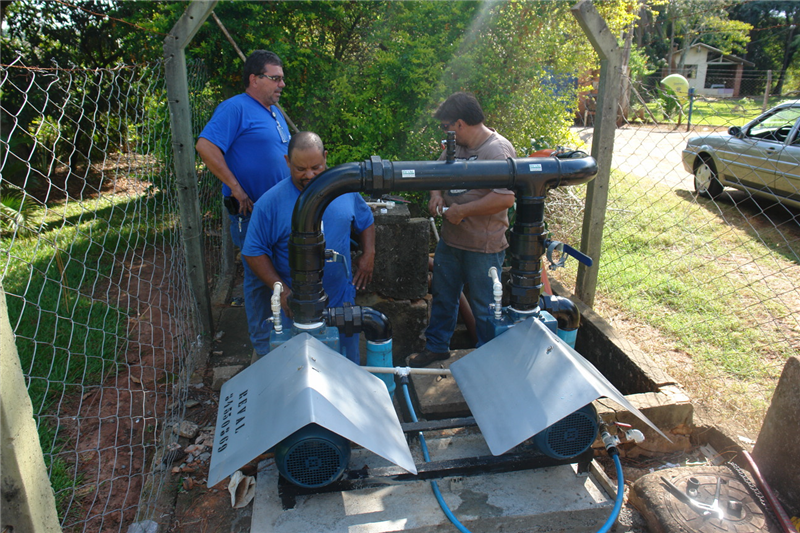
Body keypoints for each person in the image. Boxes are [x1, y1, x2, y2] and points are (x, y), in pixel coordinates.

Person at [241, 132, 375, 362]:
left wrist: (369, 253)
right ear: (287, 162)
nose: (309, 175)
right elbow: (253, 252)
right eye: (300, 169)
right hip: (295, 305)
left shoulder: (344, 190)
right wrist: (282, 290)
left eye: (316, 167)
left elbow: (365, 220)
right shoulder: (270, 204)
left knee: (345, 361)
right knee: (297, 367)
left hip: (339, 298)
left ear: (325, 157)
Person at [408, 92, 516, 368]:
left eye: (446, 126)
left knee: (486, 308)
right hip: (451, 241)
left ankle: (490, 361)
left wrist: (464, 210)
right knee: (443, 297)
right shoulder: (456, 147)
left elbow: (505, 198)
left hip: (483, 247)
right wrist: (436, 195)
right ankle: (437, 347)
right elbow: (437, 172)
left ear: (459, 123)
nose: (445, 132)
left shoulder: (497, 151)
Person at [195, 50, 291, 354]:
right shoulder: (235, 108)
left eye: (282, 79)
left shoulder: (274, 112)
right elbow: (205, 145)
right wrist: (234, 186)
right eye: (275, 78)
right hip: (252, 213)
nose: (281, 85)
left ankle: (282, 337)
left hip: (280, 211)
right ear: (254, 79)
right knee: (258, 276)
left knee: (278, 273)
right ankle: (264, 348)